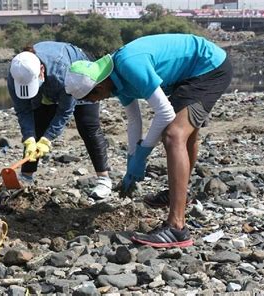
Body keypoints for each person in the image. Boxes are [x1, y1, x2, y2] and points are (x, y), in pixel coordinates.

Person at [64, 34, 232, 247]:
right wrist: (131, 160)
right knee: (185, 134)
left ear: (97, 88)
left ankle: (177, 227)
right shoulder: (114, 80)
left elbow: (164, 113)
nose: (93, 103)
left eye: (90, 99)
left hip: (208, 68)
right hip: (188, 74)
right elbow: (134, 119)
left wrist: (142, 155)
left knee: (173, 135)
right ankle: (178, 194)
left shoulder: (128, 65)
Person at [8, 41, 112, 200]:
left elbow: (65, 110)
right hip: (49, 85)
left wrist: (47, 139)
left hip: (80, 75)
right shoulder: (16, 73)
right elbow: (23, 110)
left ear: (41, 70)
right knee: (37, 126)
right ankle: (26, 178)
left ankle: (104, 179)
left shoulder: (62, 72)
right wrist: (29, 137)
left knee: (88, 125)